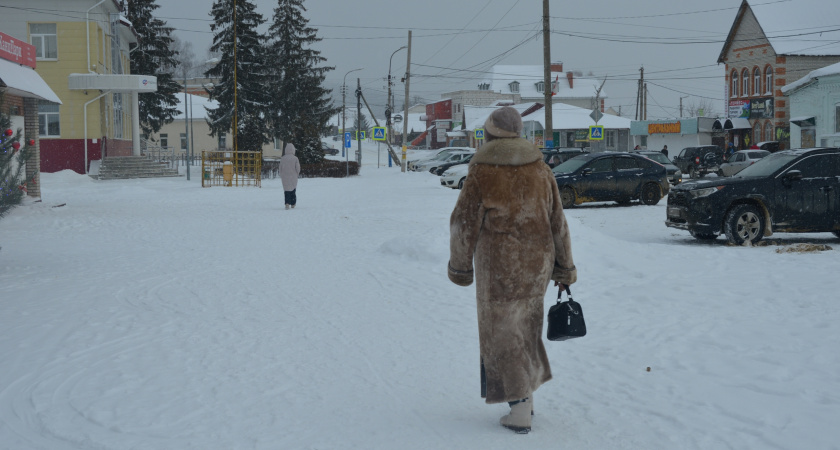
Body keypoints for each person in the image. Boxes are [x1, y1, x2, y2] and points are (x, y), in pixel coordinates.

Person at [448, 106, 577, 434]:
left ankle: (519, 407)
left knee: (504, 333)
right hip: (538, 264)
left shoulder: (482, 169)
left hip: (500, 265)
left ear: (491, 133)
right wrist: (564, 267)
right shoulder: (539, 166)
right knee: (525, 328)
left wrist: (460, 267)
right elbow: (557, 220)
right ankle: (527, 399)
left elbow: (463, 223)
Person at [279, 143, 301, 209]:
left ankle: (287, 203)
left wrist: (282, 174)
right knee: (293, 190)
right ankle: (293, 203)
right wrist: (297, 173)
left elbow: (280, 168)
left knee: (286, 190)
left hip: (285, 177)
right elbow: (298, 168)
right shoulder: (295, 158)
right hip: (293, 176)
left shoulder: (283, 158)